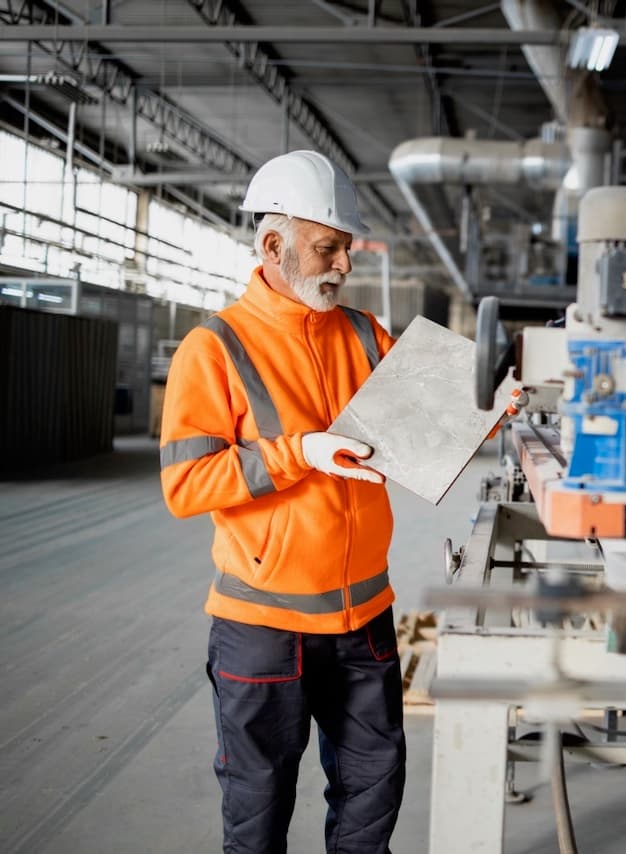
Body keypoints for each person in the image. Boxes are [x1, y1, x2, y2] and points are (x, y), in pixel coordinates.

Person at [159, 150, 404, 853]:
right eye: (328, 248)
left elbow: (430, 421)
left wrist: (491, 405)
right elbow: (186, 485)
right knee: (258, 809)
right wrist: (299, 453)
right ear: (273, 247)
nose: (344, 265)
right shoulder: (214, 348)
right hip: (264, 627)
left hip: (364, 618)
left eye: (345, 248)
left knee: (373, 798)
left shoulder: (365, 334)